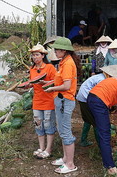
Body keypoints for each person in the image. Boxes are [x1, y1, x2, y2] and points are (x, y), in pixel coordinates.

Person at [45, 37, 80, 174]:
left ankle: (70, 164)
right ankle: (65, 158)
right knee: (62, 130)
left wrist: (51, 89)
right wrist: (48, 84)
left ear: (64, 50)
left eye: (56, 50)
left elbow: (66, 86)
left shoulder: (68, 64)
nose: (55, 52)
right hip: (61, 100)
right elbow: (60, 81)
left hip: (65, 100)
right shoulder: (64, 61)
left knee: (65, 132)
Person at [76, 65, 117, 147]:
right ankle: (101, 146)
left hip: (83, 97)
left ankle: (83, 140)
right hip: (86, 98)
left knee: (88, 120)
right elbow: (100, 96)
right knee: (97, 122)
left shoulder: (101, 77)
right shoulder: (102, 80)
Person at [28, 43, 57, 159]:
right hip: (37, 102)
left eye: (37, 55)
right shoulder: (32, 70)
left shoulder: (50, 68)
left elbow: (56, 82)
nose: (35, 57)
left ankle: (48, 149)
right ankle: (41, 147)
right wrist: (27, 85)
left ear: (43, 56)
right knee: (38, 125)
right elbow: (32, 83)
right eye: (33, 55)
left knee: (49, 125)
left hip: (49, 101)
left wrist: (45, 83)